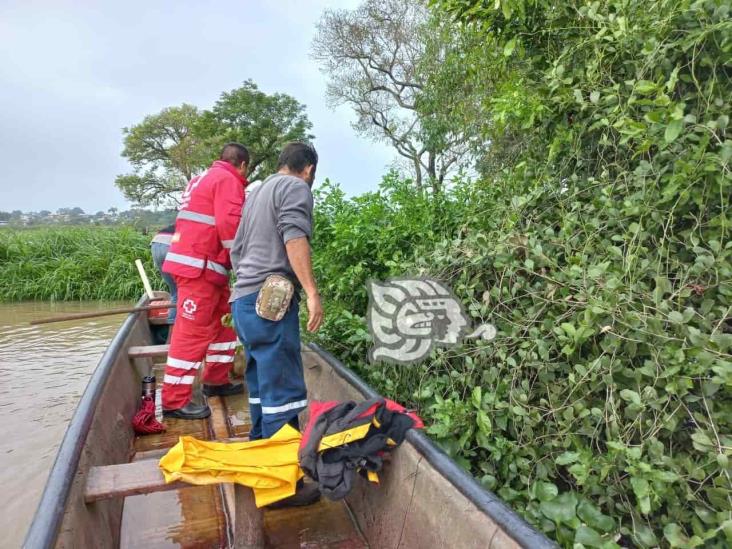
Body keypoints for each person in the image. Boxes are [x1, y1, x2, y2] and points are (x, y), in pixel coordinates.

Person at [230, 141, 323, 506]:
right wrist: (312, 292)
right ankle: (280, 486)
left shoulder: (255, 193)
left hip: (243, 301)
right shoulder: (296, 188)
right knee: (282, 392)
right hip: (270, 302)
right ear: (309, 170)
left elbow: (237, 250)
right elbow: (294, 236)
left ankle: (262, 461)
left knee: (259, 386)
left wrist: (249, 286)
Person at [160, 143, 250, 420]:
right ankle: (174, 401)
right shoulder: (228, 180)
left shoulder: (201, 178)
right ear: (243, 165)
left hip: (207, 269)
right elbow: (229, 225)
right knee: (192, 334)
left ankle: (216, 381)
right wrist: (245, 266)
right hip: (198, 270)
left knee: (224, 324)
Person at [150, 223, 177, 322]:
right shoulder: (197, 227)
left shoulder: (183, 222)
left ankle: (171, 321)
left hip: (155, 244)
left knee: (174, 290)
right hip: (169, 244)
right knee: (180, 290)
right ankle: (173, 323)